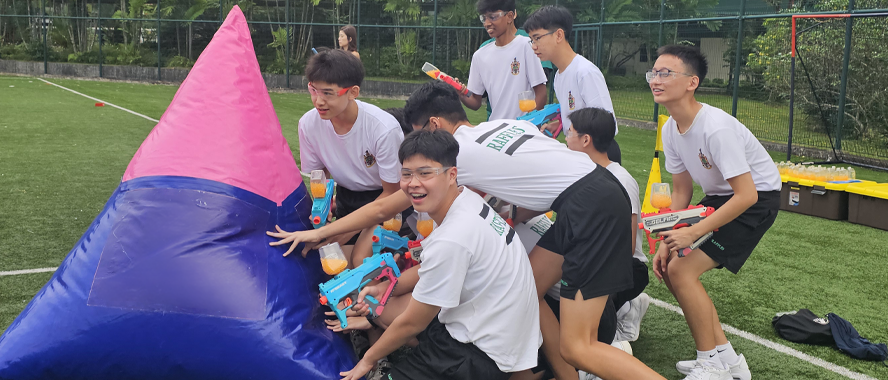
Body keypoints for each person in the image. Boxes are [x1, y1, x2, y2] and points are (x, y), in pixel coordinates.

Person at [270, 81, 664, 380]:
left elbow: (383, 206)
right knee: (529, 285)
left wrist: (320, 233)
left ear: (435, 126)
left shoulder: (456, 155)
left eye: (420, 137)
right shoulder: (501, 125)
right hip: (592, 190)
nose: (419, 157)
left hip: (589, 207)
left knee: (580, 346)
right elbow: (541, 174)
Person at [330, 129, 541, 380]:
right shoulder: (467, 200)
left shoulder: (453, 238)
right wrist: (385, 289)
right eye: (406, 174)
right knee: (384, 309)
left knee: (398, 320)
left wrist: (368, 360)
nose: (413, 183)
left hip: (480, 351)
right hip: (505, 331)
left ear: (451, 175)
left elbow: (413, 322)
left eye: (425, 173)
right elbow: (424, 272)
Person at [649, 45, 781, 380]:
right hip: (721, 198)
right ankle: (726, 360)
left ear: (692, 82)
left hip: (756, 201)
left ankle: (710, 362)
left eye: (666, 73)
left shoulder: (715, 127)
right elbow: (681, 190)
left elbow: (747, 194)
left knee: (681, 272)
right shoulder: (669, 128)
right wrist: (668, 238)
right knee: (672, 266)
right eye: (654, 73)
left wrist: (692, 232)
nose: (656, 79)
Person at [297, 49, 404, 266]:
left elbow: (393, 193)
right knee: (319, 262)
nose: (318, 101)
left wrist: (344, 229)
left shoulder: (383, 128)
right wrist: (324, 207)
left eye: (328, 93)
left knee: (359, 260)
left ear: (353, 92)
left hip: (388, 203)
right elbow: (320, 178)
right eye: (313, 90)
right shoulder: (308, 124)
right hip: (346, 200)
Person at [564, 107, 650, 344]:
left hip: (626, 267)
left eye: (569, 132)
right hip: (599, 259)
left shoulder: (620, 180)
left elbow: (628, 245)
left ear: (585, 140)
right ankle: (626, 309)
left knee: (578, 297)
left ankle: (611, 344)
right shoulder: (584, 173)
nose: (565, 138)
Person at [523, 5, 620, 163]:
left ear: (559, 35)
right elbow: (577, 114)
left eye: (537, 38)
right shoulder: (559, 76)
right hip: (579, 157)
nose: (534, 46)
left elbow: (607, 125)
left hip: (599, 158)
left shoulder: (585, 72)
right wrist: (560, 125)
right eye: (531, 40)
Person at [459, 0, 547, 121]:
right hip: (496, 131)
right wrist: (459, 93)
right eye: (484, 18)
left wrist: (529, 123)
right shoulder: (479, 56)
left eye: (492, 17)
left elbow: (541, 93)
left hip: (523, 130)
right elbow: (475, 102)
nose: (487, 23)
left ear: (510, 16)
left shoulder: (526, 45)